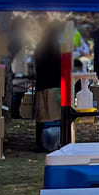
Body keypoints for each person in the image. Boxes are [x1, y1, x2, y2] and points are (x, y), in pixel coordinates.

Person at [33, 20, 63, 150]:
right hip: (54, 84)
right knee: (54, 115)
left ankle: (41, 142)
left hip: (42, 84)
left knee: (42, 116)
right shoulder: (56, 47)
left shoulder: (40, 46)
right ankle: (53, 142)